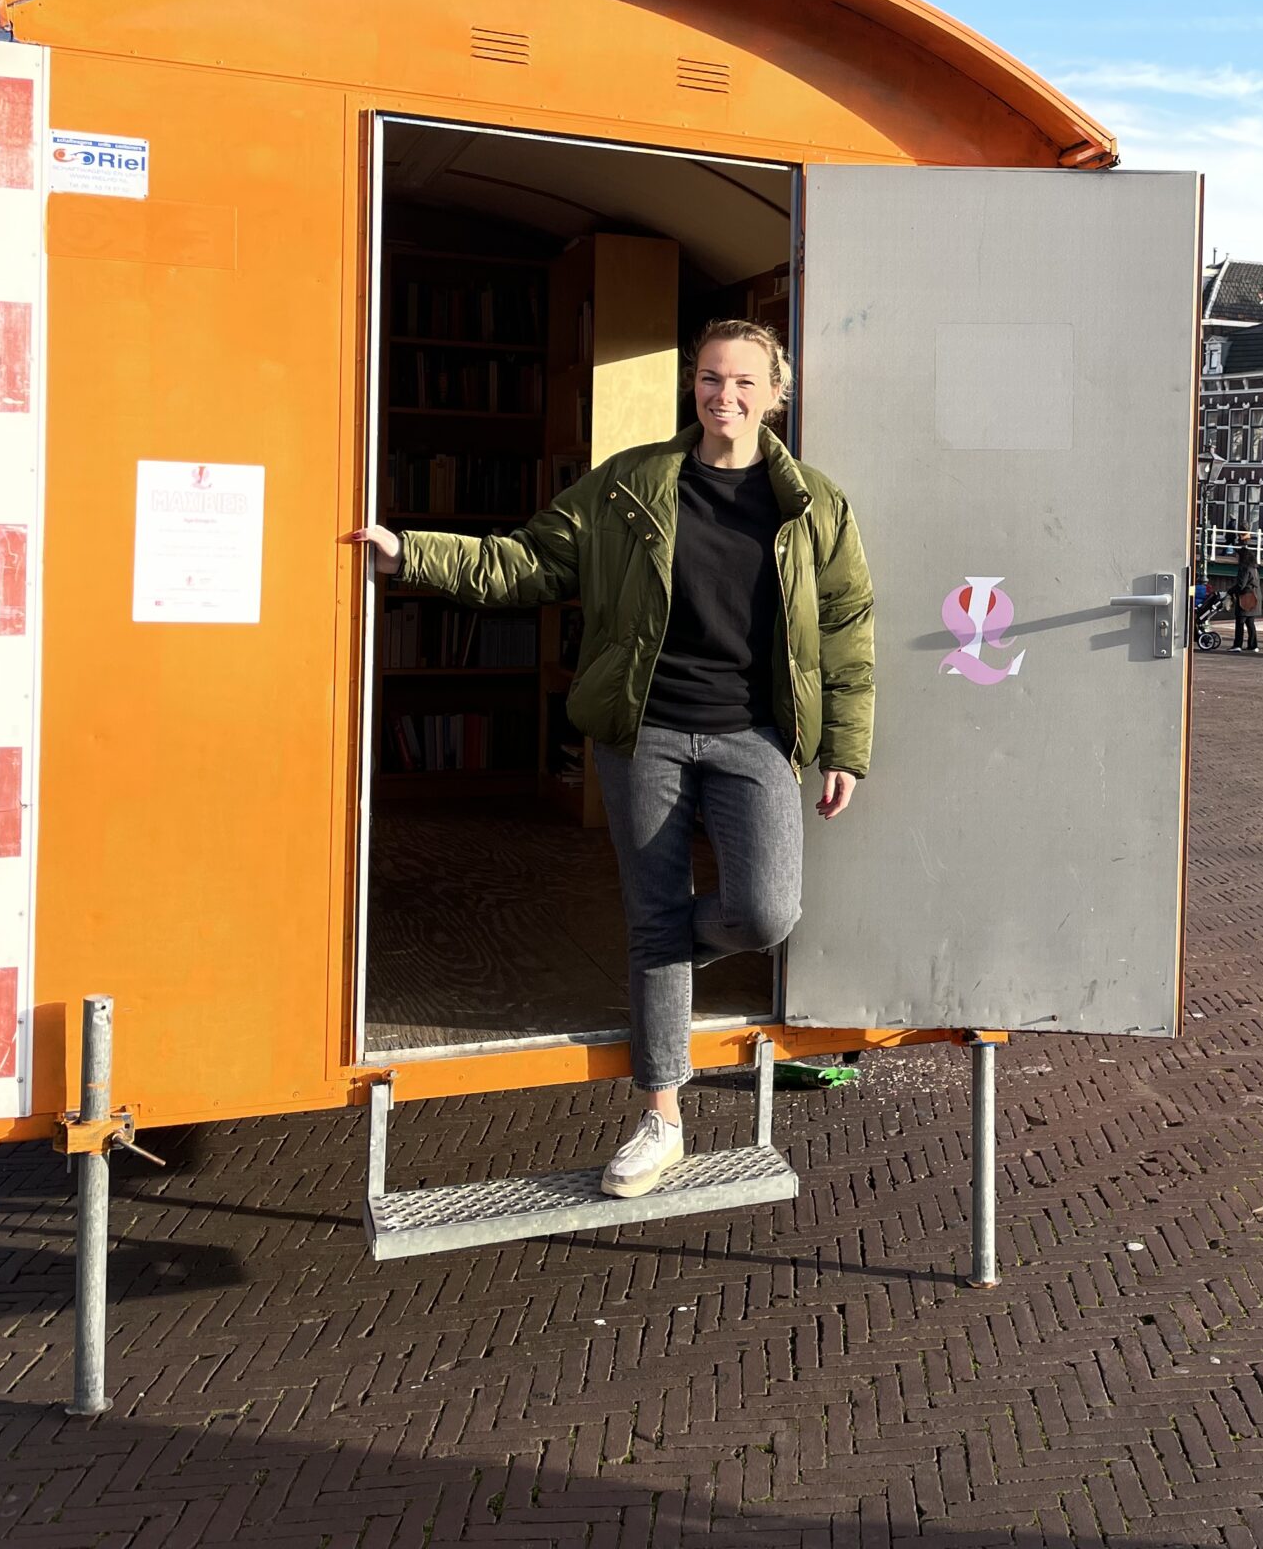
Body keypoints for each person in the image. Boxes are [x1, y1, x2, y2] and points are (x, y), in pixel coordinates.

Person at [347, 319, 873, 1200]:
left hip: (754, 736)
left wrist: (846, 747)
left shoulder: (813, 505)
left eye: (745, 383)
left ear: (775, 395)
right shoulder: (632, 488)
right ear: (692, 387)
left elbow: (848, 627)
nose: (725, 398)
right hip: (646, 733)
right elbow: (527, 563)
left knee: (764, 911)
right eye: (711, 379)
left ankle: (659, 959)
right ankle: (662, 1116)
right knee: (656, 908)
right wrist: (412, 552)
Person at [1231, 541, 1262, 653]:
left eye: (1237, 555)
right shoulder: (1254, 568)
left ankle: (1237, 645)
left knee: (1240, 622)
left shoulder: (1244, 568)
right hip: (1255, 597)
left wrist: (1230, 591)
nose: (1236, 557)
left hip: (1246, 598)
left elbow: (1241, 585)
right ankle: (1253, 645)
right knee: (1250, 623)